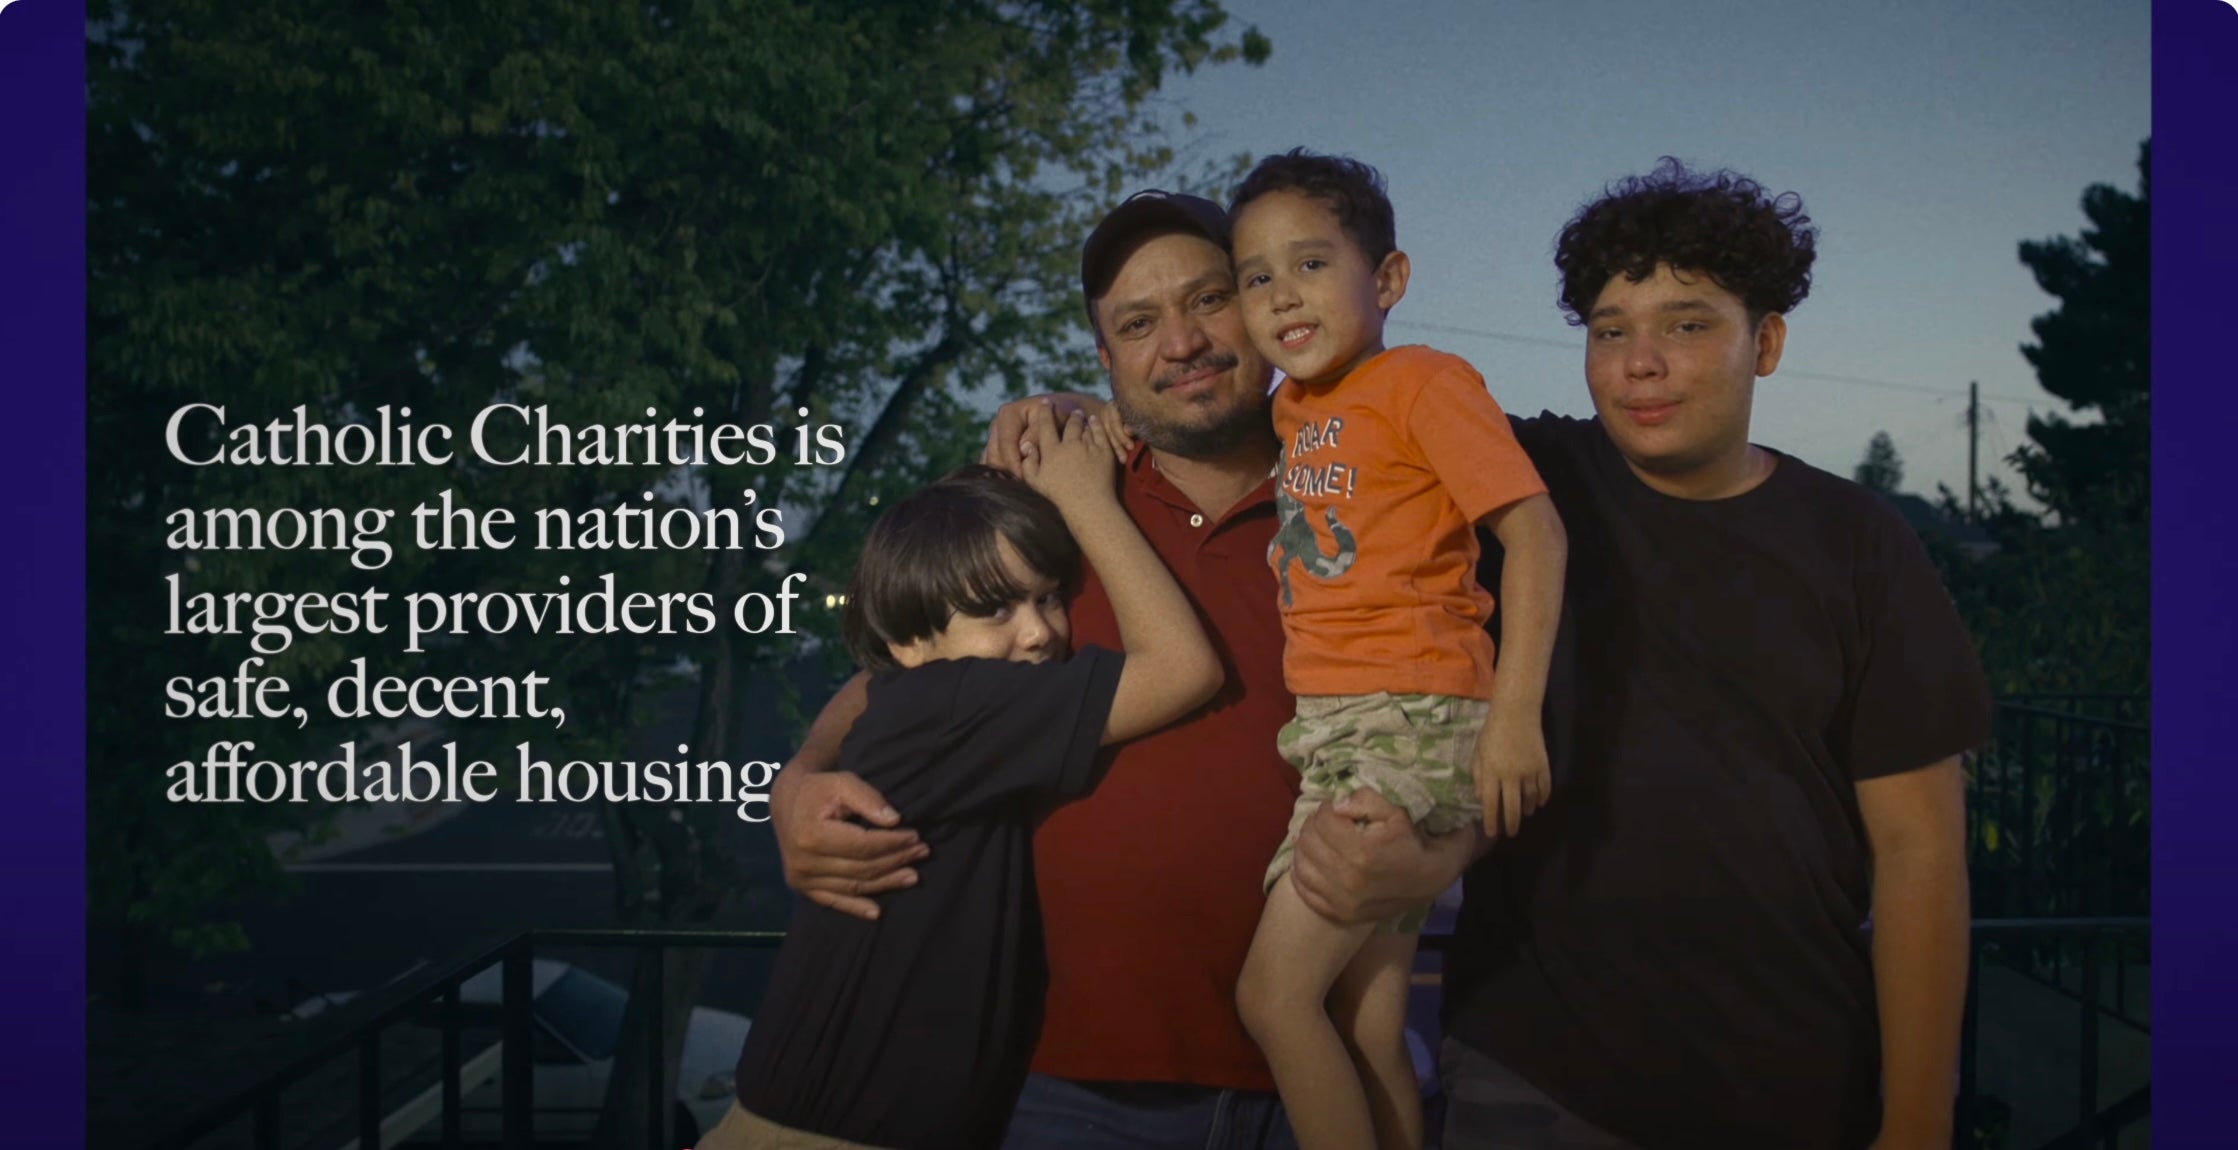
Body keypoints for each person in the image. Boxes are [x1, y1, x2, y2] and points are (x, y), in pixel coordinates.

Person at [1281, 160, 1990, 1149]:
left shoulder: (1860, 542)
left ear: (1766, 342)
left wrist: (1917, 1119)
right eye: (1610, 331)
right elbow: (1305, 449)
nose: (1640, 363)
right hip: (1534, 1074)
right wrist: (1089, 417)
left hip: (1790, 1078)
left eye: (1686, 325)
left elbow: (1920, 850)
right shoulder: (1517, 484)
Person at [770, 189, 1310, 1149]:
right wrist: (802, 778)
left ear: (1260, 304)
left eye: (1209, 299)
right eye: (1137, 324)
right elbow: (910, 672)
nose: (1181, 342)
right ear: (1105, 359)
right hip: (1071, 1083)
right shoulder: (1051, 502)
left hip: (1317, 1071)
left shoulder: (1365, 485)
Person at [703, 436, 1223, 1149]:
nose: (1038, 632)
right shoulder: (957, 705)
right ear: (910, 643)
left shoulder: (920, 699)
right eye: (997, 610)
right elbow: (1184, 669)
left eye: (1048, 597)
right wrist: (1087, 499)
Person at [1222, 150, 1566, 1150]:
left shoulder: (1423, 382)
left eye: (1312, 263)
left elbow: (1538, 534)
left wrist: (1515, 717)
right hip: (1338, 726)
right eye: (1256, 277)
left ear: (1389, 279)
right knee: (1366, 1023)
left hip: (1405, 716)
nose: (1283, 294)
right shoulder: (1293, 409)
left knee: (1272, 999)